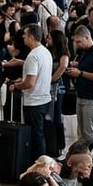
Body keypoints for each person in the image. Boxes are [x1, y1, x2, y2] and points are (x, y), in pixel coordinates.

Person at [10, 24, 55, 162]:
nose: (23, 37)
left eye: (25, 35)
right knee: (40, 133)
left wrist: (16, 86)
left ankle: (39, 164)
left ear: (31, 37)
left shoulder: (33, 56)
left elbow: (30, 83)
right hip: (45, 98)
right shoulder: (46, 52)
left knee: (36, 136)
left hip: (34, 101)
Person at [65, 25, 93, 143]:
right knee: (82, 132)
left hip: (92, 97)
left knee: (90, 133)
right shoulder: (85, 52)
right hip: (81, 94)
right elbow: (88, 66)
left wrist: (80, 73)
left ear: (87, 37)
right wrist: (77, 65)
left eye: (79, 41)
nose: (77, 44)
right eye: (75, 42)